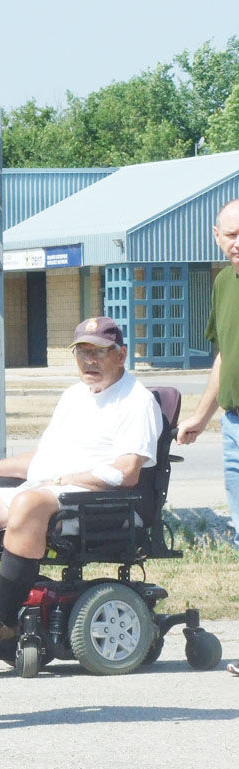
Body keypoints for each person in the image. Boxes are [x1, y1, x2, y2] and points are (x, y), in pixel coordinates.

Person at [0, 316, 162, 646]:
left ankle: (1, 616)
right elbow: (43, 459)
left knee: (28, 503)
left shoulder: (137, 401)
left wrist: (70, 478)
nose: (89, 361)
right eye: (82, 352)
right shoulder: (75, 395)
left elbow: (128, 471)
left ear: (121, 354)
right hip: (49, 488)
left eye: (99, 352)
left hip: (95, 501)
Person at [178, 199, 239, 550]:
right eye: (230, 234)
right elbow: (224, 358)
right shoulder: (223, 283)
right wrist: (201, 418)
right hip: (232, 425)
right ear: (216, 236)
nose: (237, 242)